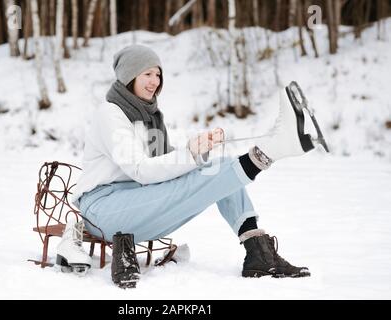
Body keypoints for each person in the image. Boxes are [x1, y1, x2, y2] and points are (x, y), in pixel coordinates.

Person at [67, 44, 317, 288]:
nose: (155, 81)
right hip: (103, 211)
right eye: (147, 74)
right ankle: (269, 151)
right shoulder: (110, 114)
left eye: (158, 74)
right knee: (214, 175)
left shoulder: (150, 117)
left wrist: (199, 152)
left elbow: (162, 162)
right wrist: (190, 155)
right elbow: (141, 170)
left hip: (139, 201)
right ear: (130, 75)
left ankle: (259, 254)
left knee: (217, 167)